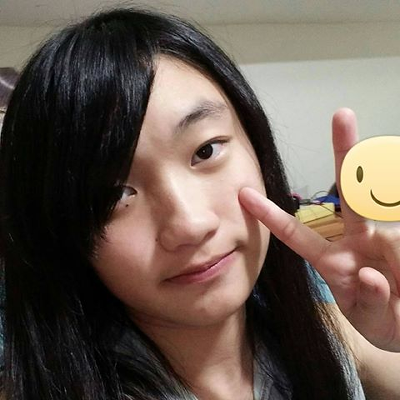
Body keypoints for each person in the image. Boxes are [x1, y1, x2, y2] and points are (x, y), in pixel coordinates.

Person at [0, 8, 399, 400]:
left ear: (256, 146)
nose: (190, 224)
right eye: (113, 195)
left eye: (205, 150)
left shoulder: (327, 325)